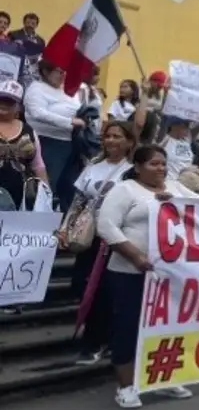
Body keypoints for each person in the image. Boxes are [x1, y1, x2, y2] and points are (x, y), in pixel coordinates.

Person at [96, 144, 199, 409]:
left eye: (164, 164)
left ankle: (163, 377)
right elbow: (106, 226)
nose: (161, 169)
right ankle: (126, 386)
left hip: (170, 274)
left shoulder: (175, 187)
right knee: (129, 326)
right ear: (138, 167)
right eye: (154, 164)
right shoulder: (125, 190)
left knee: (167, 326)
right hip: (129, 272)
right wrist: (135, 256)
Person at [64, 121, 136, 364]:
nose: (112, 141)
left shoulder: (133, 171)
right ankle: (99, 336)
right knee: (81, 286)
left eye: (118, 136)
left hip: (118, 240)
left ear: (129, 142)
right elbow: (78, 200)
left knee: (105, 291)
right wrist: (66, 228)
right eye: (108, 136)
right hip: (91, 238)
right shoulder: (93, 167)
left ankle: (96, 342)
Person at [23, 60, 84, 209]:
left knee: (64, 186)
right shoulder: (37, 88)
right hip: (45, 142)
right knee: (44, 186)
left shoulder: (69, 91)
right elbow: (37, 113)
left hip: (68, 144)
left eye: (65, 72)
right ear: (45, 71)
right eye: (59, 72)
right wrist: (70, 122)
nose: (63, 75)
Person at [0, 79, 48, 211]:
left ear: (19, 107)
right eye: (1, 99)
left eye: (10, 102)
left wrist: (46, 192)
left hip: (20, 197)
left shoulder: (28, 131)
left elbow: (38, 164)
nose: (4, 104)